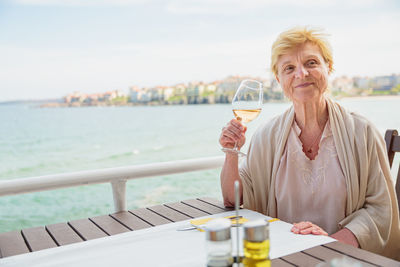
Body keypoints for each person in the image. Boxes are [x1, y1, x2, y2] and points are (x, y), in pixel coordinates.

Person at [219, 26, 400, 260]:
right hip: (282, 258)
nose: (301, 74)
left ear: (329, 67)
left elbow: (381, 210)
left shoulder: (362, 132)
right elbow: (232, 200)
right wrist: (231, 151)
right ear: (279, 79)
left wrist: (330, 245)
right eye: (289, 68)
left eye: (311, 63)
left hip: (342, 258)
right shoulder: (265, 136)